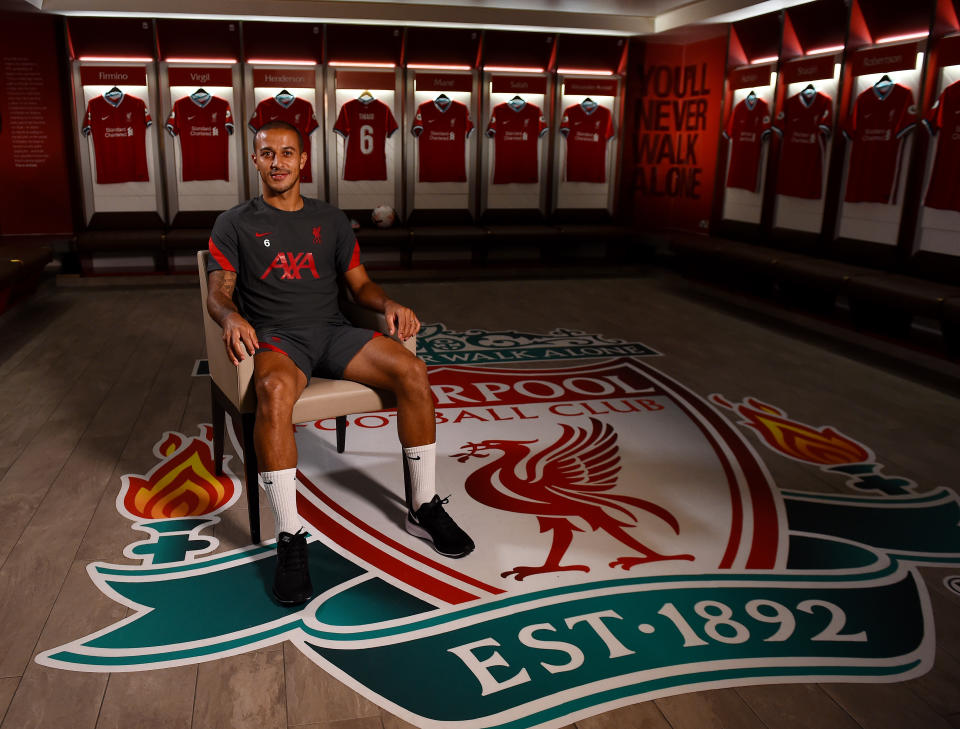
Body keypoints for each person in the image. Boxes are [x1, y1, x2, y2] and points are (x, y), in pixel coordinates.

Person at [206, 120, 474, 606]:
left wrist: (386, 303)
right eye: (268, 153)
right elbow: (218, 292)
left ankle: (423, 507)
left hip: (331, 331)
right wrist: (228, 317)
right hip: (278, 338)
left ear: (303, 160)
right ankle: (290, 538)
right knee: (272, 392)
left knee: (413, 371)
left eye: (288, 153)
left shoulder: (330, 219)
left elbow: (359, 286)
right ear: (255, 160)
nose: (278, 162)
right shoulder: (235, 222)